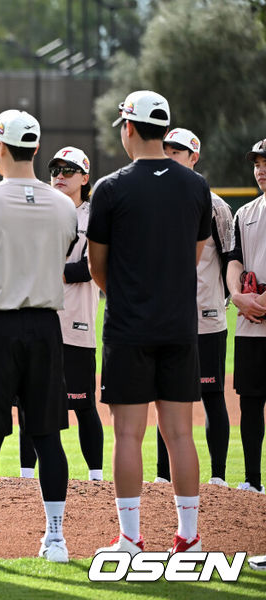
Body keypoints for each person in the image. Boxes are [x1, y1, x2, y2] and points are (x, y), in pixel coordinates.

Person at [0, 110, 77, 567]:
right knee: (48, 437)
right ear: (37, 149)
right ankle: (57, 540)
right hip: (45, 327)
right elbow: (59, 257)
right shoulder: (65, 206)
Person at [89, 90, 211, 555]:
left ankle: (130, 538)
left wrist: (124, 293)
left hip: (128, 327)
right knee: (181, 433)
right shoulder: (196, 186)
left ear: (129, 128)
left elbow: (97, 266)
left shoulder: (111, 187)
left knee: (127, 435)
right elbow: (194, 255)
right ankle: (189, 537)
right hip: (180, 326)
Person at [18, 147, 105, 482]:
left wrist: (57, 270)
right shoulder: (39, 210)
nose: (60, 176)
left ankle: (96, 477)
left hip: (76, 321)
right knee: (30, 401)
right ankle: (26, 476)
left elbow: (96, 265)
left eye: (69, 171)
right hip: (38, 317)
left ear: (85, 178)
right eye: (55, 170)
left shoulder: (95, 216)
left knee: (83, 403)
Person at [153, 128, 233, 488]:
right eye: (166, 150)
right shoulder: (151, 202)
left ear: (194, 157)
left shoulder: (215, 205)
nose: (171, 156)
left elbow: (230, 257)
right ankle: (161, 475)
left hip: (206, 315)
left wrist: (222, 299)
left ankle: (217, 476)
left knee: (213, 394)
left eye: (179, 152)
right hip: (165, 318)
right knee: (164, 395)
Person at [225, 138, 266, 495]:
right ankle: (253, 481)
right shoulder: (245, 213)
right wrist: (238, 296)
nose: (261, 169)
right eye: (256, 163)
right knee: (250, 405)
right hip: (250, 325)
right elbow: (233, 259)